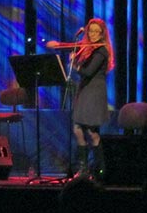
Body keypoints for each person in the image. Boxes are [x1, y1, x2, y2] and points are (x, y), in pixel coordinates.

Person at [47, 18, 114, 180]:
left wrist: (74, 64)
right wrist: (58, 46)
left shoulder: (101, 51)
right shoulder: (88, 48)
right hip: (84, 90)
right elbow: (77, 57)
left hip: (94, 92)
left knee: (92, 132)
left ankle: (100, 169)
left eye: (97, 31)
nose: (93, 34)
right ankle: (83, 169)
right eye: (91, 31)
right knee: (78, 129)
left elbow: (88, 72)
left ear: (102, 33)